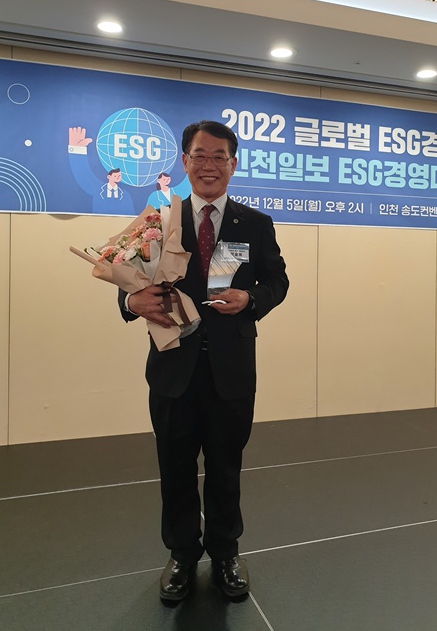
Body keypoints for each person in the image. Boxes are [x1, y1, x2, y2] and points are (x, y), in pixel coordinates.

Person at [119, 120, 289, 603]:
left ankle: (226, 553)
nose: (209, 165)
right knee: (174, 469)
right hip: (174, 369)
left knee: (226, 468)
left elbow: (278, 282)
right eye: (199, 155)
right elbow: (127, 278)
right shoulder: (158, 220)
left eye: (219, 157)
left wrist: (251, 299)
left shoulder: (254, 223)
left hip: (231, 371)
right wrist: (131, 302)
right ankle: (181, 556)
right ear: (184, 162)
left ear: (233, 164)